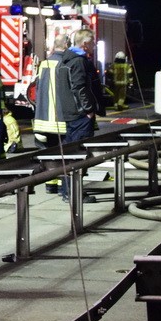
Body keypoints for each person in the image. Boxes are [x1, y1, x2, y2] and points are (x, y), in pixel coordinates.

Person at [59, 28, 104, 203]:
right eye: (92, 43)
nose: (93, 46)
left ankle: (67, 190)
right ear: (85, 44)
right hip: (80, 116)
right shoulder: (78, 61)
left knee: (71, 154)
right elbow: (79, 88)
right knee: (79, 155)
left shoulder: (67, 59)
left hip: (71, 114)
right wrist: (88, 110)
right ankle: (74, 193)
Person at [32, 34, 71, 193]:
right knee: (65, 154)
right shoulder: (65, 63)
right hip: (60, 118)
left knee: (50, 152)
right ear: (67, 44)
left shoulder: (44, 64)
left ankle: (50, 184)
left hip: (43, 119)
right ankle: (63, 185)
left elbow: (37, 90)